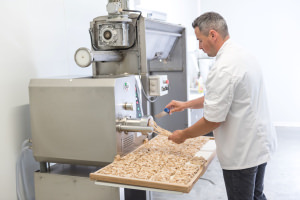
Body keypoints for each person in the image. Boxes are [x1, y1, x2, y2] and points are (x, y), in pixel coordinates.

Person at [165, 12, 277, 200]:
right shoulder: (243, 54)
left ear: (213, 35)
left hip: (242, 153)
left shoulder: (224, 67)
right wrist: (186, 105)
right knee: (257, 196)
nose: (200, 47)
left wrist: (183, 135)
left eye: (200, 40)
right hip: (259, 144)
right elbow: (221, 96)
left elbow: (212, 121)